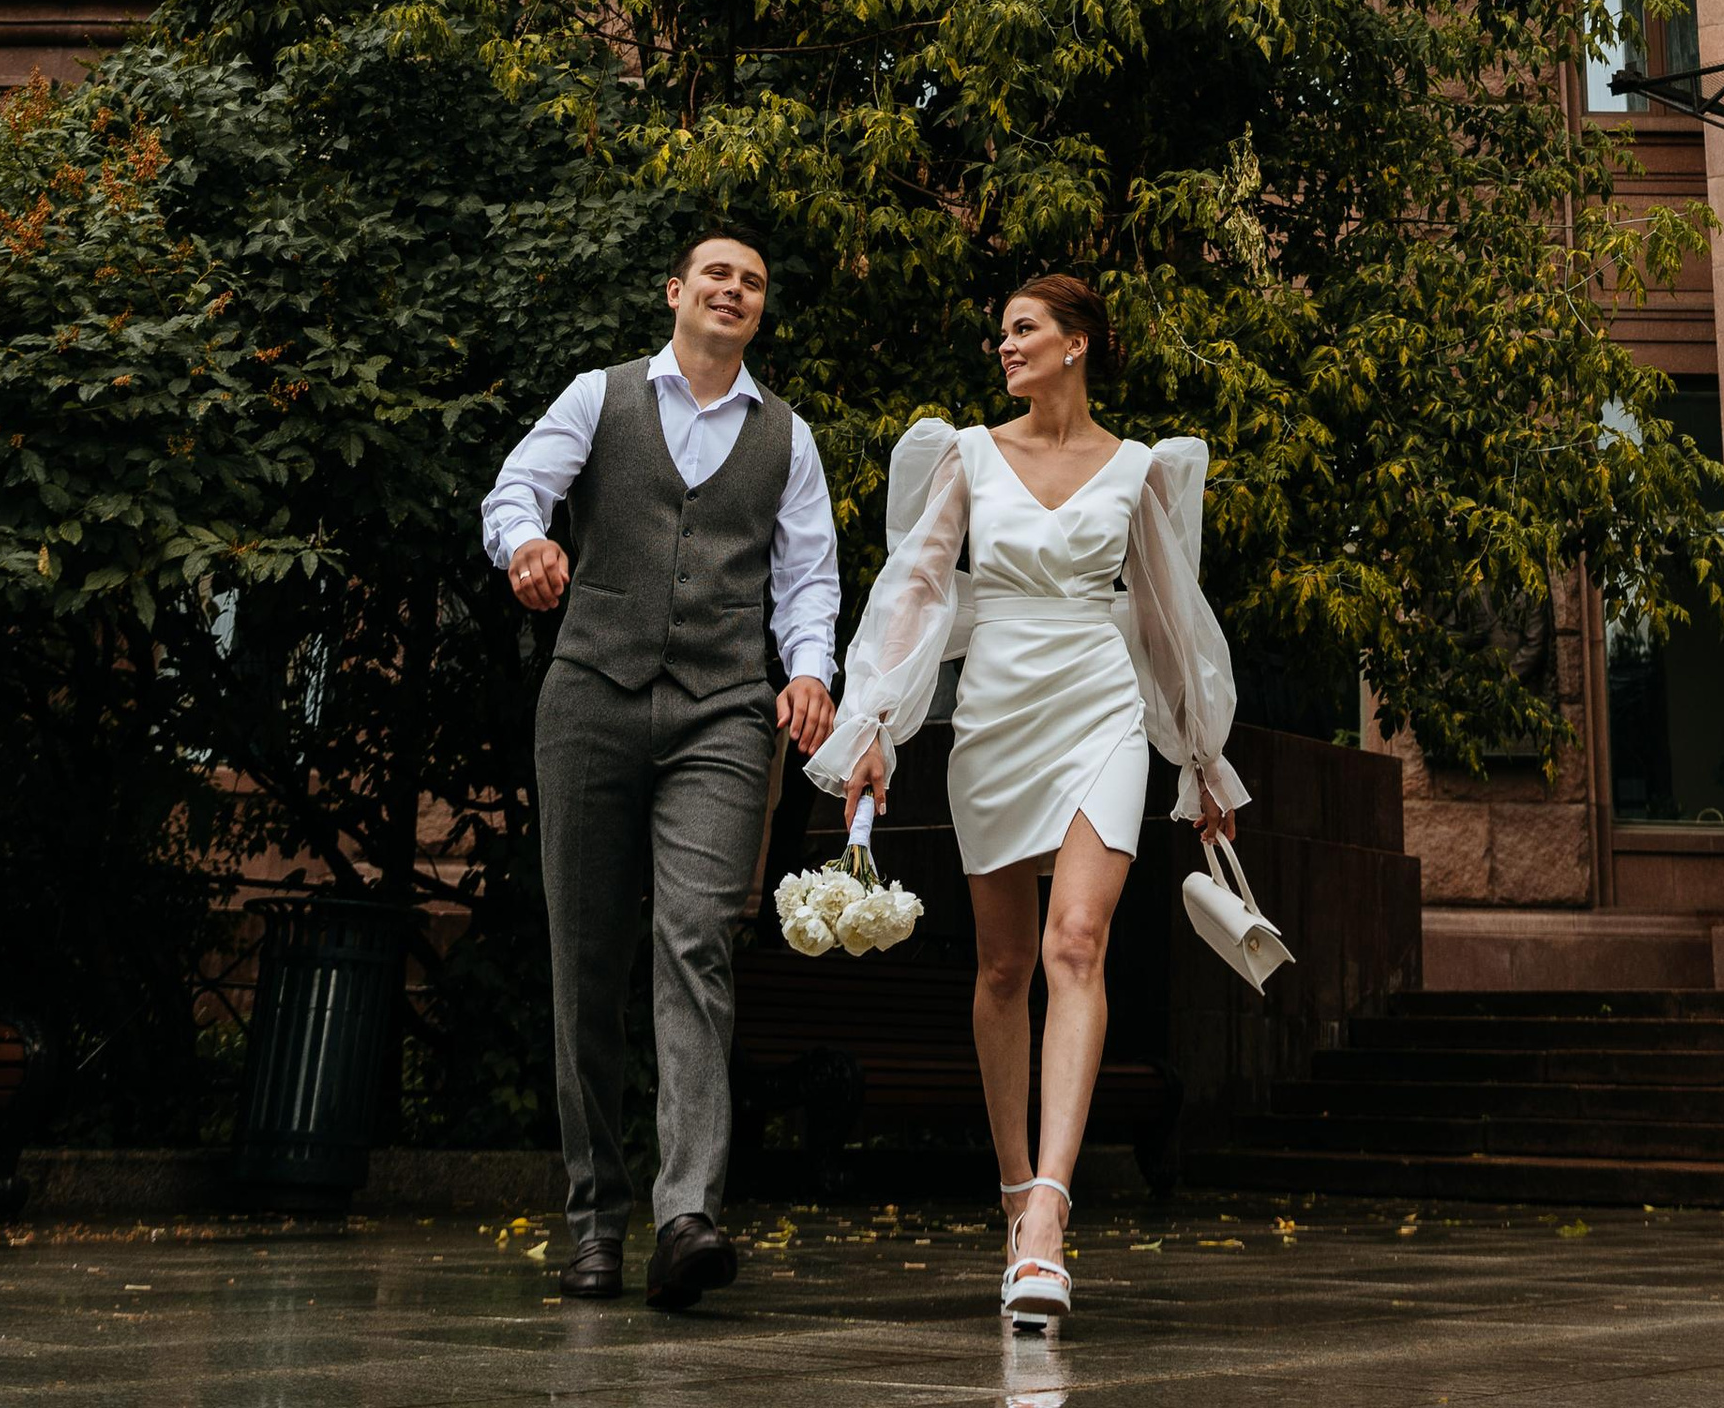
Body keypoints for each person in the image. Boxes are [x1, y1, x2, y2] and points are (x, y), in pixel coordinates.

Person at [809, 271, 1243, 1327]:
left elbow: (1166, 619)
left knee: (1075, 945)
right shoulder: (963, 454)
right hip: (997, 709)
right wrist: (872, 730)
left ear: (1077, 343)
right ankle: (1013, 1193)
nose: (1005, 347)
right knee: (1004, 964)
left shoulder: (1138, 469)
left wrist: (1195, 759)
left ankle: (1050, 1216)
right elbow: (914, 591)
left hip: (1097, 704)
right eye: (1002, 332)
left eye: (1023, 330)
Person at [482, 231, 840, 1311]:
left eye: (755, 281)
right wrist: (526, 549)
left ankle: (686, 1215)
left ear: (759, 312)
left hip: (725, 713)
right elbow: (516, 490)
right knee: (585, 957)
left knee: (695, 943)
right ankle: (594, 1218)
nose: (734, 289)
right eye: (717, 275)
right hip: (590, 693)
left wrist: (811, 672)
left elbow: (809, 577)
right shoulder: (600, 397)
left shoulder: (787, 438)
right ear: (677, 293)